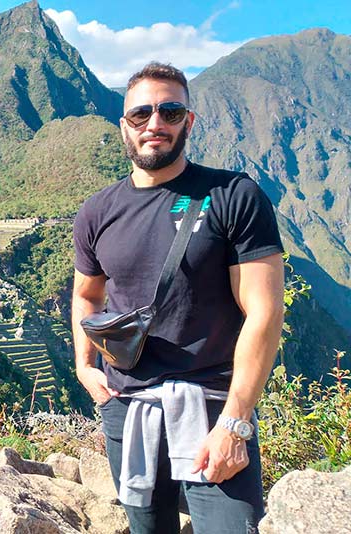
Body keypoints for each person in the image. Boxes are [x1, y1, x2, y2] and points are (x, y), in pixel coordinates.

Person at [71, 62, 284, 534]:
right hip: (128, 408)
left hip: (212, 407)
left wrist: (236, 421)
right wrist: (85, 367)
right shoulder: (97, 211)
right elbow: (87, 293)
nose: (155, 124)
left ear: (189, 121)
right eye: (141, 114)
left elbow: (264, 311)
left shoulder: (233, 195)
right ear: (123, 125)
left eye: (170, 112)